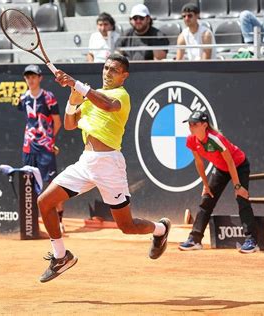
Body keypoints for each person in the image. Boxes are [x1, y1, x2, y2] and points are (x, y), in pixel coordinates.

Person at [36, 53, 171, 283]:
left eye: (114, 70)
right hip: (85, 163)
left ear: (124, 76)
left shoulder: (121, 96)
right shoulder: (90, 98)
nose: (107, 73)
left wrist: (77, 84)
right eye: (106, 68)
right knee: (44, 202)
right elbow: (69, 124)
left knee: (126, 226)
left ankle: (160, 229)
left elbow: (108, 105)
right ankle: (61, 257)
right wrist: (73, 96)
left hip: (109, 165)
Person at [178, 111, 259, 254]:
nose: (191, 127)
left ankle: (252, 241)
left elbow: (230, 161)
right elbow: (199, 163)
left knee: (241, 198)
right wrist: (205, 184)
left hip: (238, 165)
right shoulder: (191, 140)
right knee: (207, 200)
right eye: (190, 124)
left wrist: (238, 186)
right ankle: (195, 239)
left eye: (195, 124)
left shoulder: (215, 139)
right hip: (221, 169)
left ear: (204, 125)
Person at [17, 64, 66, 232]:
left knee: (53, 184)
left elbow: (57, 122)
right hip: (28, 146)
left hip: (45, 147)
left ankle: (60, 220)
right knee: (28, 183)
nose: (31, 80)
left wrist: (50, 141)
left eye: (34, 76)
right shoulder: (23, 98)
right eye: (28, 77)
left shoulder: (49, 97)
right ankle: (32, 220)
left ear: (40, 78)